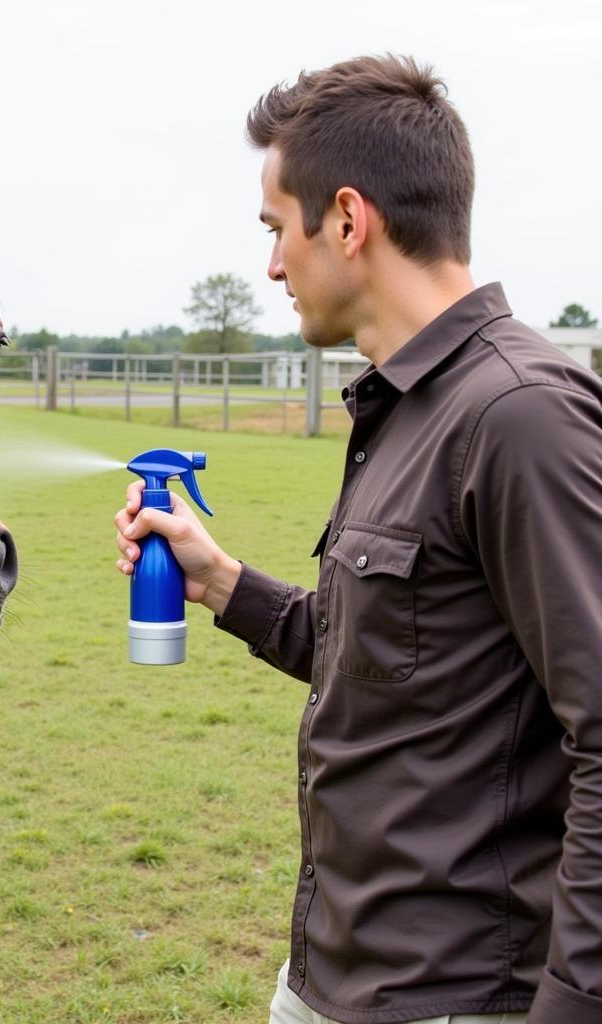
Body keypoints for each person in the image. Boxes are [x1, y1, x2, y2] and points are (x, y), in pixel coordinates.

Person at [114, 55, 602, 1024]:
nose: (269, 264)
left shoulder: (518, 416)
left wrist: (574, 1004)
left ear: (346, 218)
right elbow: (392, 660)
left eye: (273, 228)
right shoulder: (404, 408)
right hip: (332, 974)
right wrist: (222, 584)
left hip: (460, 996)